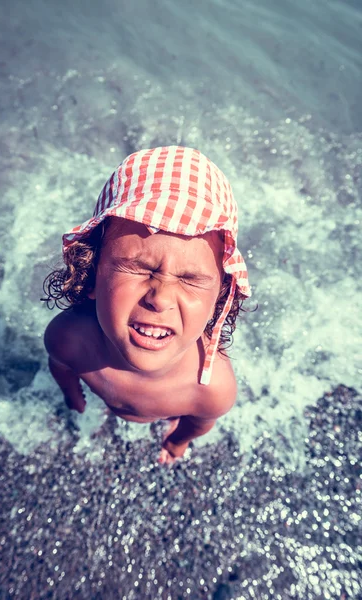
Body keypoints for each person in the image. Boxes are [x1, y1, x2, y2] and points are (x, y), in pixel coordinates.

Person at [42, 146, 251, 465]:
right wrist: (73, 396)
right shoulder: (68, 339)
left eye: (191, 278)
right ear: (92, 270)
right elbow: (61, 366)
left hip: (171, 412)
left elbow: (198, 423)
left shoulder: (209, 389)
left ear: (220, 297)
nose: (161, 298)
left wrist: (178, 441)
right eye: (139, 268)